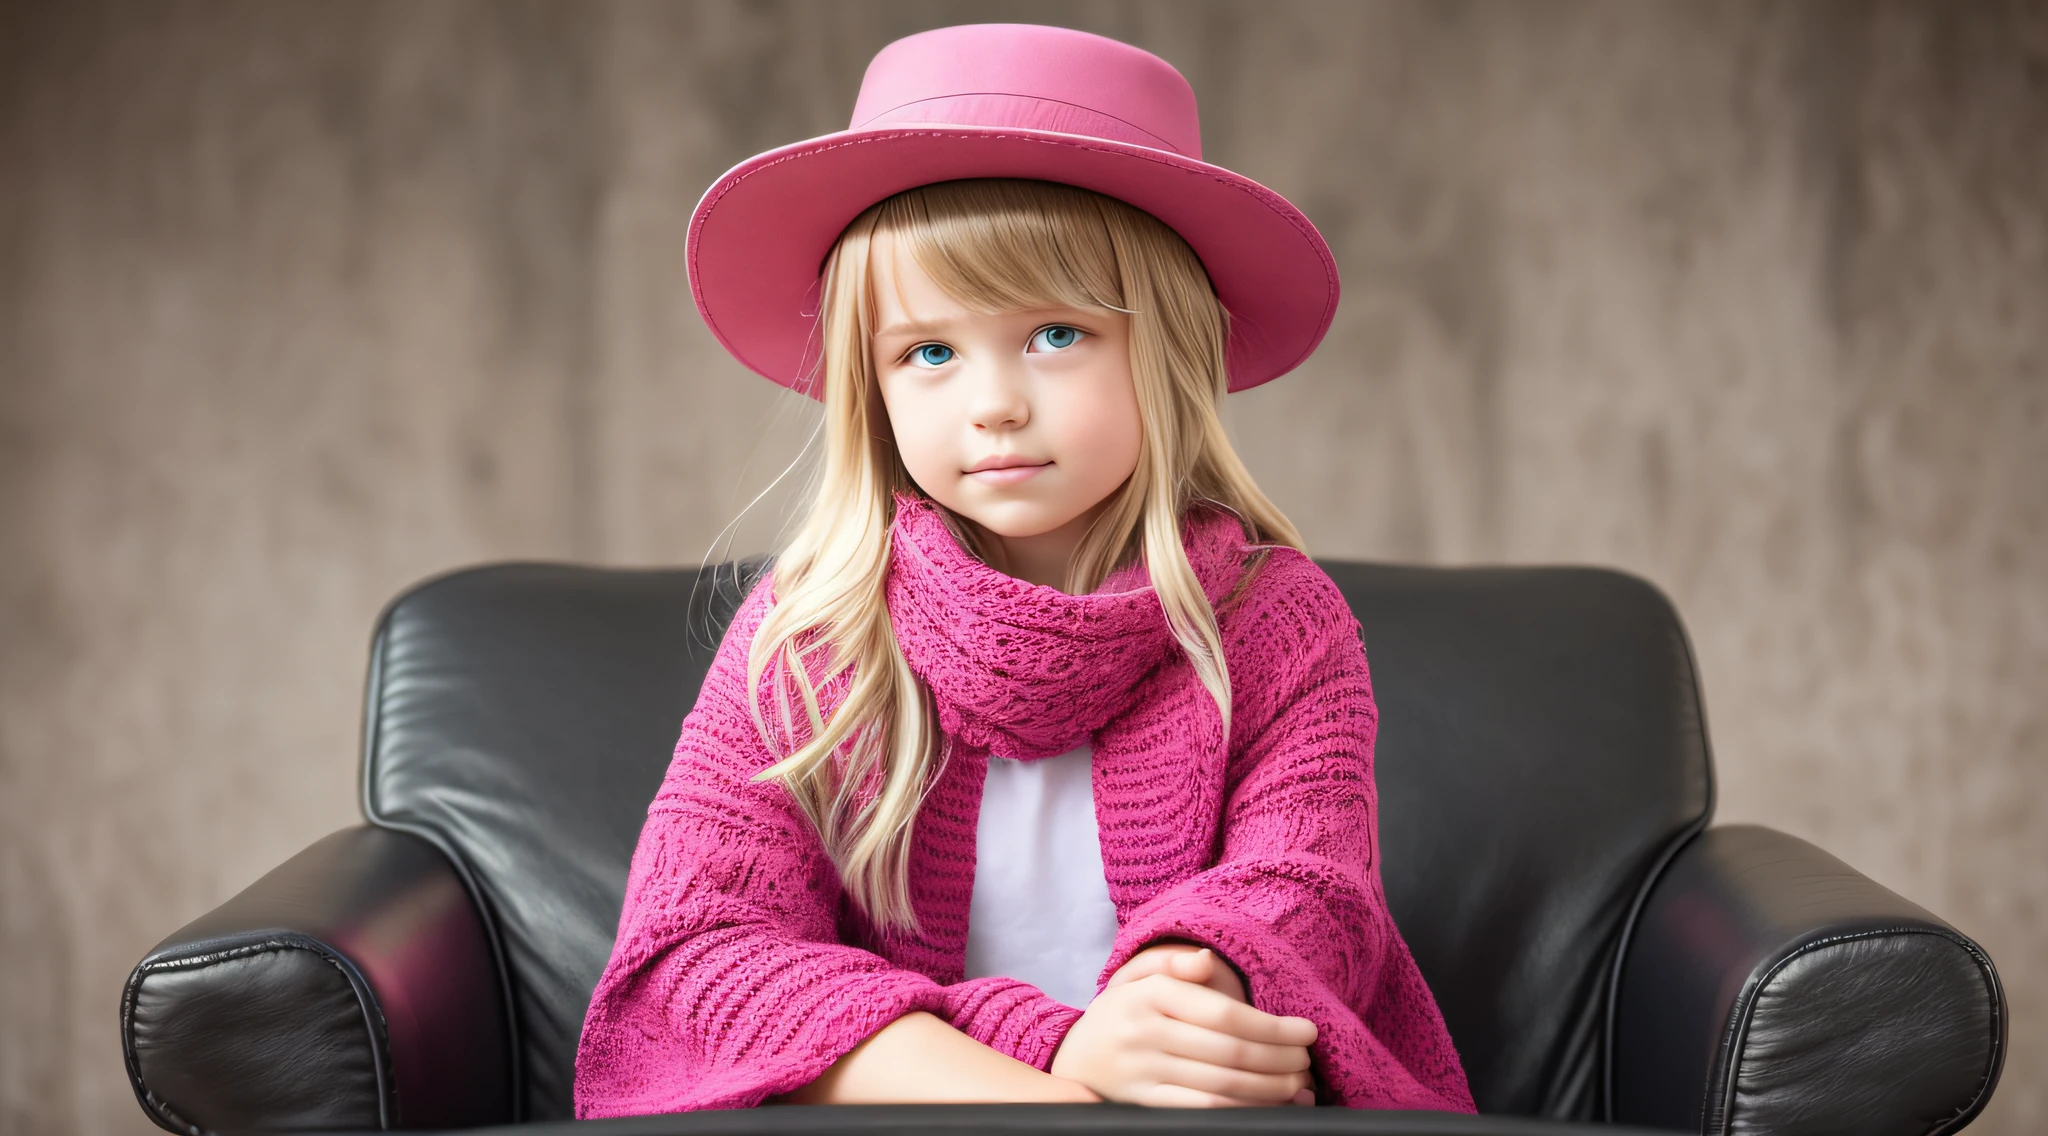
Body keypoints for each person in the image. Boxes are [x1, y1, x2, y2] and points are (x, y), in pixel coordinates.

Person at [572, 23, 1474, 1116]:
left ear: (1169, 349)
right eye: (929, 351)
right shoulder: (810, 634)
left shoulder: (1273, 618)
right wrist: (1063, 1064)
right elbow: (690, 955)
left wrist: (1185, 998)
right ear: (873, 387)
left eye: (1054, 333)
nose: (992, 402)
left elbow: (1304, 893)